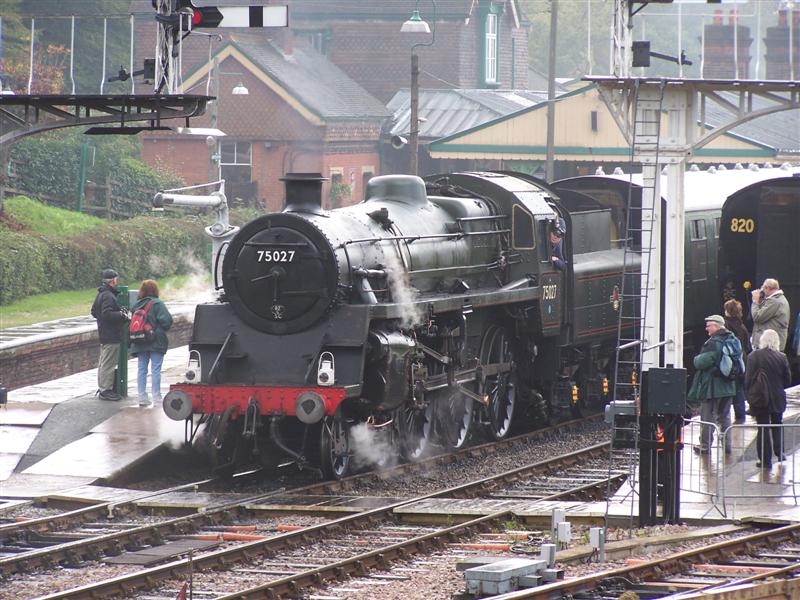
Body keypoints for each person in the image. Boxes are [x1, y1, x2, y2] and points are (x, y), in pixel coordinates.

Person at [687, 314, 738, 455]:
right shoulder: (733, 339)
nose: (706, 328)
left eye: (708, 325)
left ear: (716, 326)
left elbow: (701, 362)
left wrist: (696, 358)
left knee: (707, 417)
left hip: (713, 387)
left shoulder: (714, 342)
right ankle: (727, 445)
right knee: (725, 416)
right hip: (729, 386)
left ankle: (705, 446)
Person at [745, 329, 791, 469]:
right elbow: (787, 380)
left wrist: (749, 396)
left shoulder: (753, 356)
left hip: (760, 397)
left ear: (762, 340)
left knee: (763, 427)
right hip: (777, 397)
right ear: (777, 341)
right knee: (777, 424)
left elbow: (748, 380)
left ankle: (765, 460)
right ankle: (780, 452)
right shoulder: (782, 357)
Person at [129, 279, 173, 407]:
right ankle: (157, 397)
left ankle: (142, 397)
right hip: (156, 340)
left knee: (142, 369)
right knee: (155, 369)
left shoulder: (137, 305)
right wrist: (159, 330)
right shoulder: (158, 304)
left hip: (139, 340)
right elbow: (167, 321)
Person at [90, 269, 129, 401]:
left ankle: (103, 387)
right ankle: (105, 390)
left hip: (104, 332)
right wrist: (121, 315)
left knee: (104, 362)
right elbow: (106, 314)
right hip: (111, 334)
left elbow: (94, 311)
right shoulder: (108, 295)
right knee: (108, 363)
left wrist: (102, 321)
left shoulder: (101, 294)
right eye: (116, 279)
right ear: (112, 280)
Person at [724, 299, 752, 423]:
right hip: (742, 360)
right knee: (739, 389)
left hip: (731, 361)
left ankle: (725, 416)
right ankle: (740, 415)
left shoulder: (725, 326)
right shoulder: (742, 327)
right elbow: (748, 347)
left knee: (728, 389)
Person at [751, 278, 791, 351]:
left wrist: (755, 302)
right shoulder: (777, 300)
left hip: (769, 347)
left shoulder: (775, 302)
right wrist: (760, 302)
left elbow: (757, 317)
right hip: (770, 347)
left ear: (767, 288)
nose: (761, 291)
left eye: (762, 288)